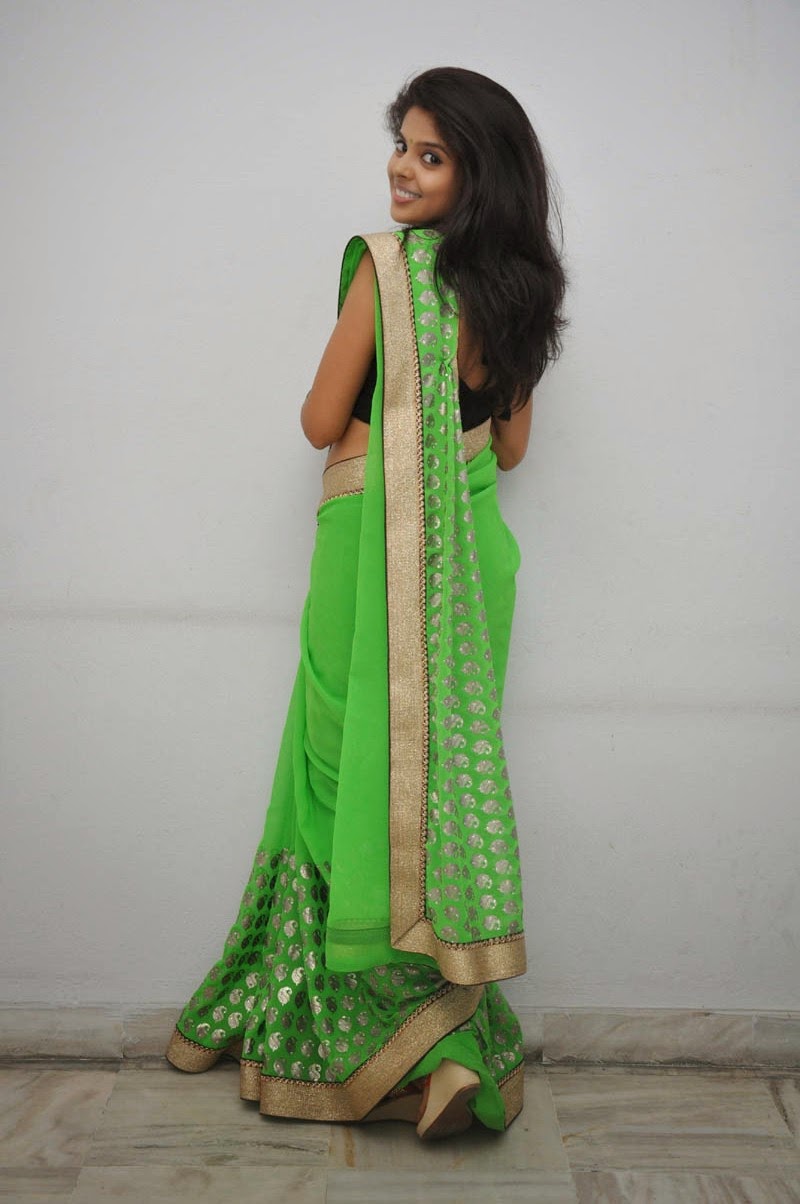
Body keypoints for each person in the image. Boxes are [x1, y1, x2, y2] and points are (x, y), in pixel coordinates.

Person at [165, 65, 567, 1142]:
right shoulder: (522, 292)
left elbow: (317, 421)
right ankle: (444, 1046)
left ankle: (376, 1041)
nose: (402, 168)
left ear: (478, 174)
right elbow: (510, 451)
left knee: (342, 783)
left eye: (431, 155)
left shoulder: (386, 270)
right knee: (431, 790)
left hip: (365, 550)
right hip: (472, 563)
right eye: (402, 144)